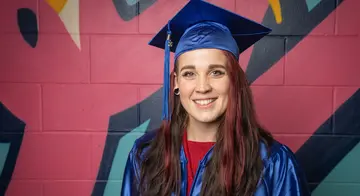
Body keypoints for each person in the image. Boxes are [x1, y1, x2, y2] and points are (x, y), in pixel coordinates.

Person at [121, 1, 311, 195]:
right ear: (176, 83)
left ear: (234, 80)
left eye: (216, 72)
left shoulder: (273, 163)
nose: (202, 87)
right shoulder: (145, 155)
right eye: (189, 74)